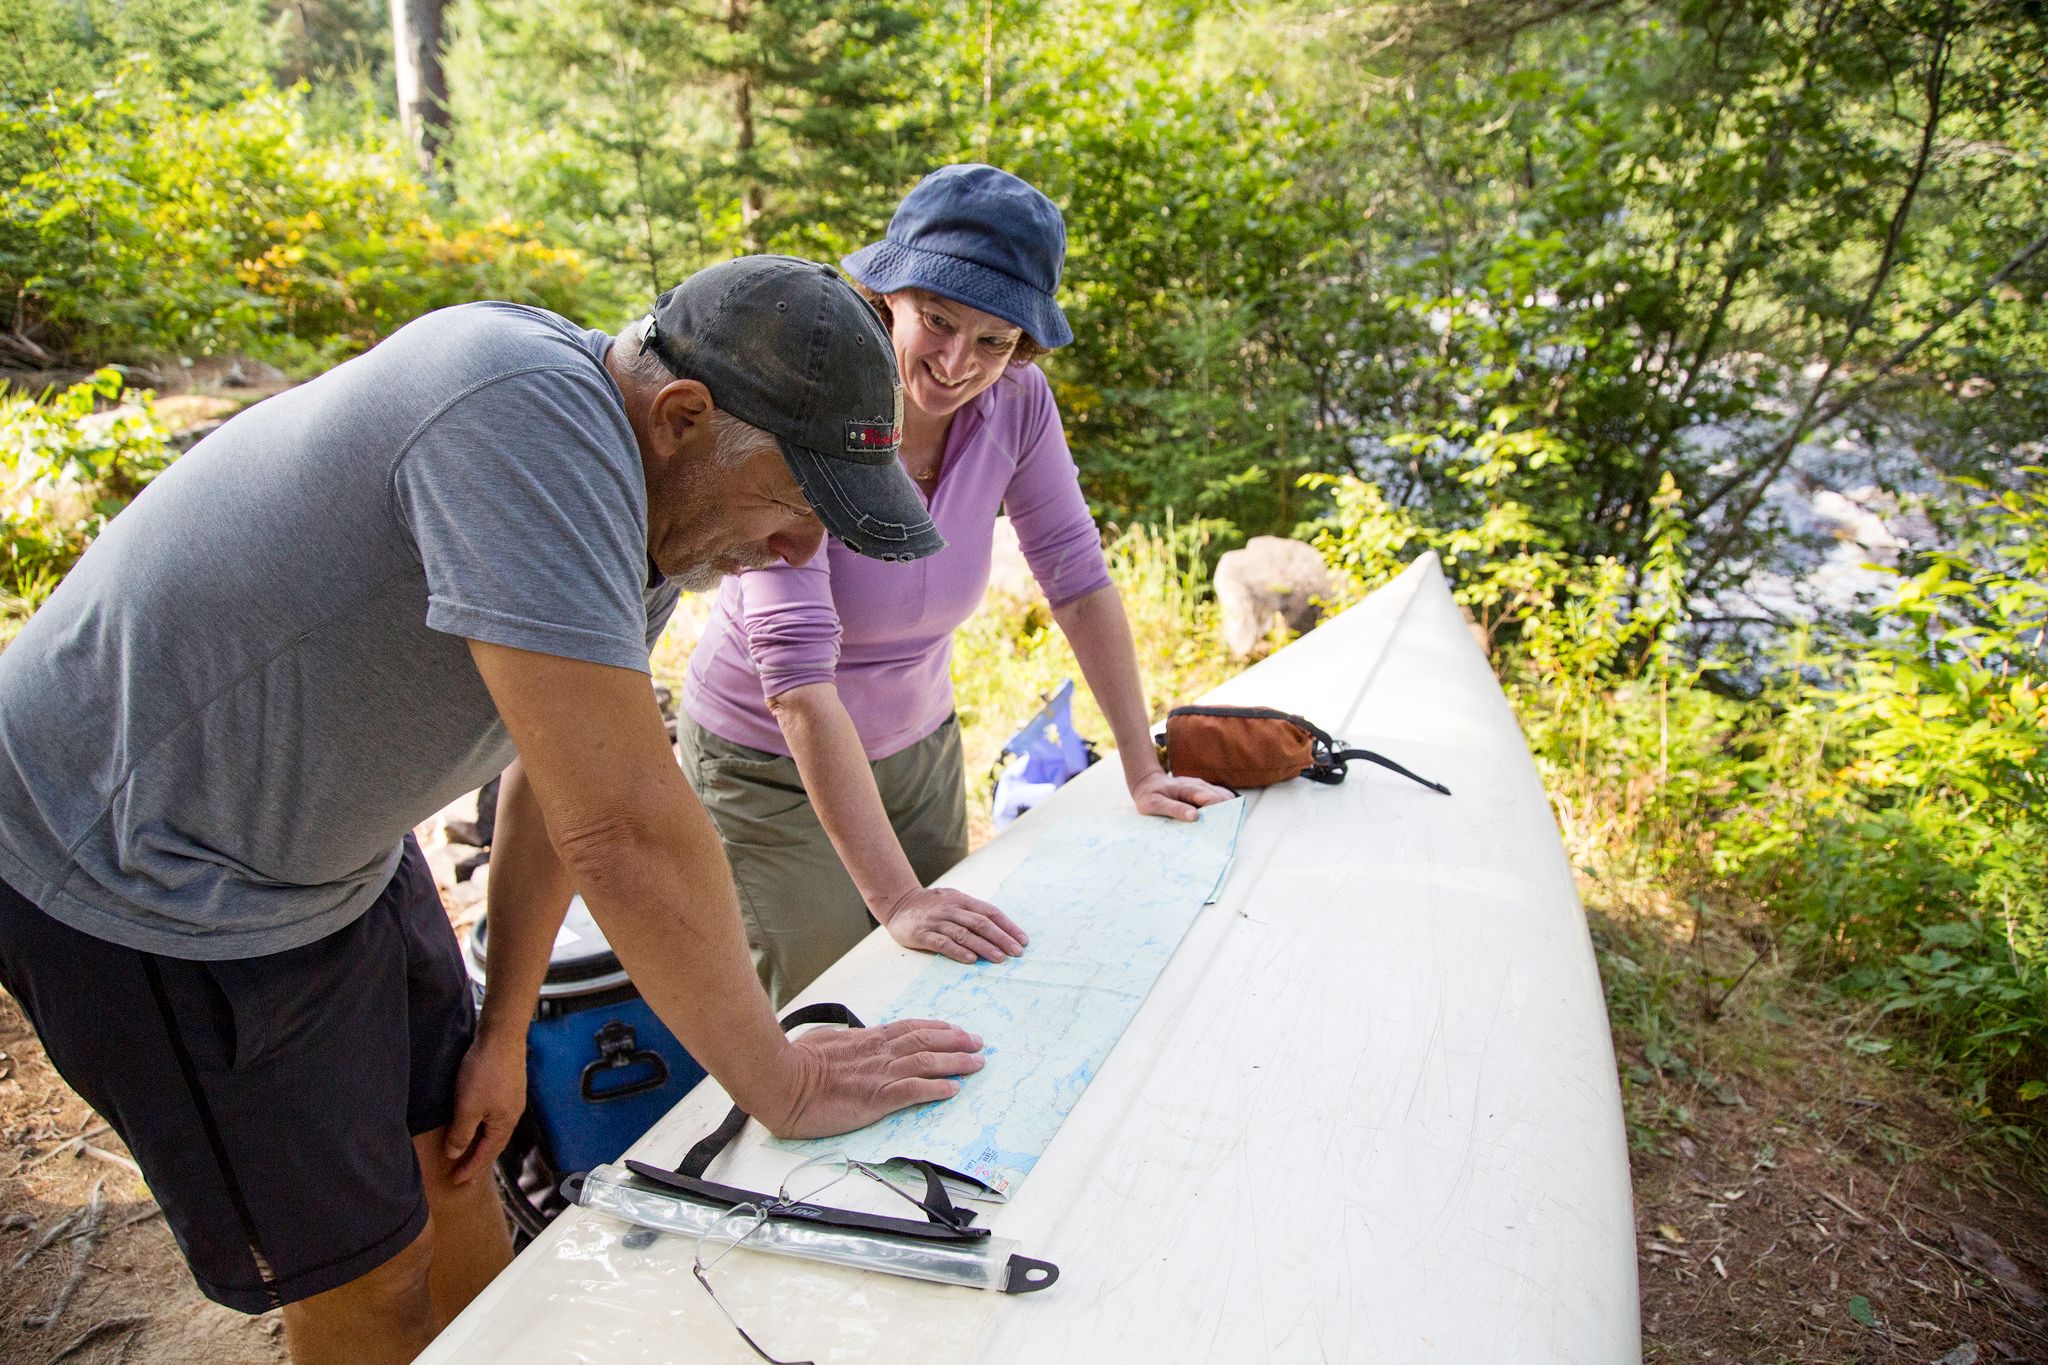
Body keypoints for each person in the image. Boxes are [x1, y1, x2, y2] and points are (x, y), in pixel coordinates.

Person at [0, 256, 986, 1365]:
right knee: (372, 1279)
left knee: (460, 1171)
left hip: (336, 856)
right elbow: (622, 830)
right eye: (797, 508)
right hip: (147, 873)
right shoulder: (523, 422)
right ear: (682, 414)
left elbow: (550, 778)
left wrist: (505, 1030)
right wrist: (783, 1079)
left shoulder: (657, 499)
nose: (803, 553)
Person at [680, 166, 1234, 1005]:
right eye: (937, 321)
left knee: (948, 982)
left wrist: (1139, 765)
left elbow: (1078, 579)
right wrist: (897, 898)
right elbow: (794, 678)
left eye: (994, 340)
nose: (955, 361)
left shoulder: (1018, 403)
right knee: (830, 1005)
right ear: (887, 297)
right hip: (768, 764)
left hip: (920, 748)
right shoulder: (809, 401)